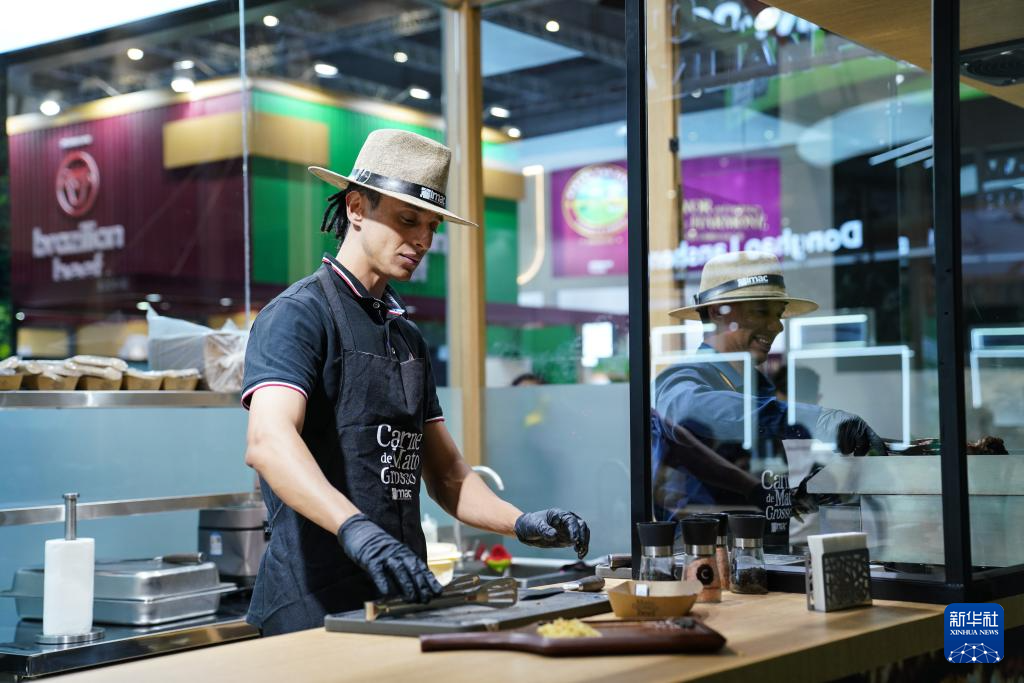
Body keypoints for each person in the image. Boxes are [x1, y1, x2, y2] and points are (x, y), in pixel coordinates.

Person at [242, 130, 590, 636]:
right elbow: (268, 442)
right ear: (356, 208)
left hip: (398, 604)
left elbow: (447, 475)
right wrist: (356, 529)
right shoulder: (298, 315)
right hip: (311, 609)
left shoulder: (405, 336)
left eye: (431, 226)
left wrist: (519, 523)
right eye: (408, 220)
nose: (424, 241)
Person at [652, 251, 885, 527]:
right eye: (762, 312)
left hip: (762, 547)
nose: (776, 326)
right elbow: (688, 411)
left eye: (778, 314)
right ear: (717, 312)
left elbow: (760, 475)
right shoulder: (681, 380)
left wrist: (806, 491)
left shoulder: (760, 391)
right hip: (701, 550)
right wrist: (815, 419)